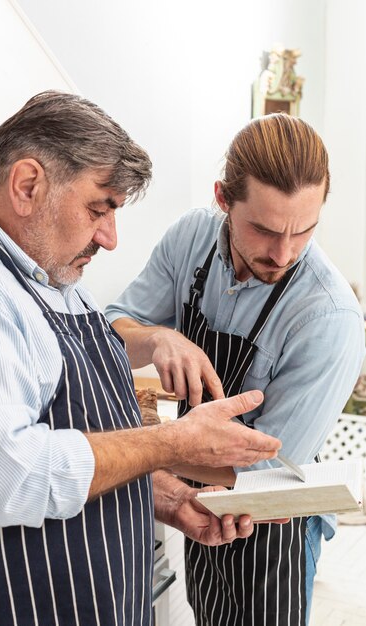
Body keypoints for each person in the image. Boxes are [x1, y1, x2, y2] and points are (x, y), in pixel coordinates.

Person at [0, 91, 284, 626]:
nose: (109, 237)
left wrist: (163, 496)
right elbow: (11, 476)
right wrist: (173, 442)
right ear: (28, 185)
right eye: (97, 210)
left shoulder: (48, 271)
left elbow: (79, 435)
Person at [106, 113, 366, 626]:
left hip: (271, 519)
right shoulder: (190, 239)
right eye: (265, 230)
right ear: (223, 198)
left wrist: (152, 459)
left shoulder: (329, 317)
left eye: (304, 231)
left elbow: (262, 469)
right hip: (199, 498)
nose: (283, 253)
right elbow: (110, 327)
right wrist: (158, 337)